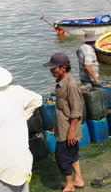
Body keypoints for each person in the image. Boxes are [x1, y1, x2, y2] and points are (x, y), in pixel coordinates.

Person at [43, 53, 85, 192]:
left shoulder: (71, 84)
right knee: (72, 154)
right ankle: (78, 179)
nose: (51, 71)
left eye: (54, 68)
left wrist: (71, 130)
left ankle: (69, 185)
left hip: (67, 129)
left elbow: (77, 109)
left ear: (63, 68)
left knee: (61, 157)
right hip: (64, 127)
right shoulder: (62, 82)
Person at [0, 66, 42, 192]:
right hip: (23, 163)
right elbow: (37, 99)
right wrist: (23, 117)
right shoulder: (17, 91)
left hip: (3, 169)